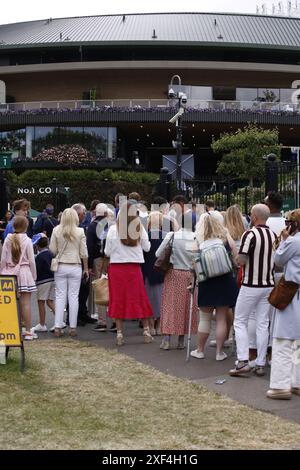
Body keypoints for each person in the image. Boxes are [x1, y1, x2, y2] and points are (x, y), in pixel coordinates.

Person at [229, 204, 277, 377]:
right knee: (263, 323)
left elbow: (241, 260)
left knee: (240, 321)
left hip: (251, 284)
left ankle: (243, 361)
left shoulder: (249, 234)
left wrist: (236, 259)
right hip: (268, 284)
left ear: (255, 217)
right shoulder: (273, 235)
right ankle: (260, 362)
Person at [104, 201, 153, 346]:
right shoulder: (139, 228)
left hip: (117, 268)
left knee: (118, 299)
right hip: (134, 268)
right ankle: (146, 330)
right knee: (138, 297)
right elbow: (147, 248)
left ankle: (119, 334)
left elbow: (107, 251)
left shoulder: (113, 230)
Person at [191, 214, 238, 361]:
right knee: (221, 318)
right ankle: (219, 352)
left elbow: (193, 262)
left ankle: (199, 350)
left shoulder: (197, 240)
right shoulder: (225, 237)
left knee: (204, 318)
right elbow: (236, 256)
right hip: (225, 280)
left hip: (206, 281)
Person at [267, 209, 300, 400]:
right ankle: (296, 382)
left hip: (291, 292)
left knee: (282, 340)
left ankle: (280, 385)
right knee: (297, 341)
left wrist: (284, 240)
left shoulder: (294, 242)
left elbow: (278, 260)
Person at [156, 211, 198, 351]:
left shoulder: (172, 235)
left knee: (170, 306)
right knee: (186, 307)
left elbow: (158, 254)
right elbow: (196, 259)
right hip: (189, 275)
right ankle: (181, 340)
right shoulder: (195, 237)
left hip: (173, 273)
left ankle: (167, 339)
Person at [49, 208, 89, 337]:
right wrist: (86, 268)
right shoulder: (80, 231)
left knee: (60, 297)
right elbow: (84, 253)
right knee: (74, 297)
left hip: (60, 266)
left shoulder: (56, 230)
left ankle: (58, 327)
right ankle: (72, 327)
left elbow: (53, 250)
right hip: (75, 266)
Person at [0, 216, 37, 340]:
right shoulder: (28, 240)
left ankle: (12, 330)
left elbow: (3, 260)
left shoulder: (7, 239)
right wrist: (34, 275)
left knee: (10, 304)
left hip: (9, 273)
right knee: (26, 304)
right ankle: (27, 332)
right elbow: (31, 261)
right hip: (24, 273)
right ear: (26, 227)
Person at [87, 203, 114, 332]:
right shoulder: (111, 226)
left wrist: (89, 265)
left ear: (95, 213)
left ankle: (102, 321)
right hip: (111, 259)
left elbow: (90, 247)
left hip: (97, 259)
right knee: (112, 288)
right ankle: (114, 319)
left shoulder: (92, 226)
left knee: (100, 288)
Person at [72, 203, 96, 325]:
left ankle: (82, 313)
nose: (85, 215)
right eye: (83, 212)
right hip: (76, 263)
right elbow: (85, 249)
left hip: (80, 263)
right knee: (75, 292)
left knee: (84, 290)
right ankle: (75, 316)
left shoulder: (81, 227)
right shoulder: (78, 229)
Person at [142, 211, 166, 336]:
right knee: (161, 300)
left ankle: (151, 326)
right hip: (162, 272)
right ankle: (159, 326)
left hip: (148, 271)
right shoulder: (166, 236)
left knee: (149, 300)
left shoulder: (146, 236)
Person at [32, 235, 56, 333]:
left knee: (41, 302)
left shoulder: (39, 257)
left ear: (37, 245)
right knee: (50, 302)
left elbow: (36, 270)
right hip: (53, 279)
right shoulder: (51, 254)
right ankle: (59, 321)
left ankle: (42, 324)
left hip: (43, 281)